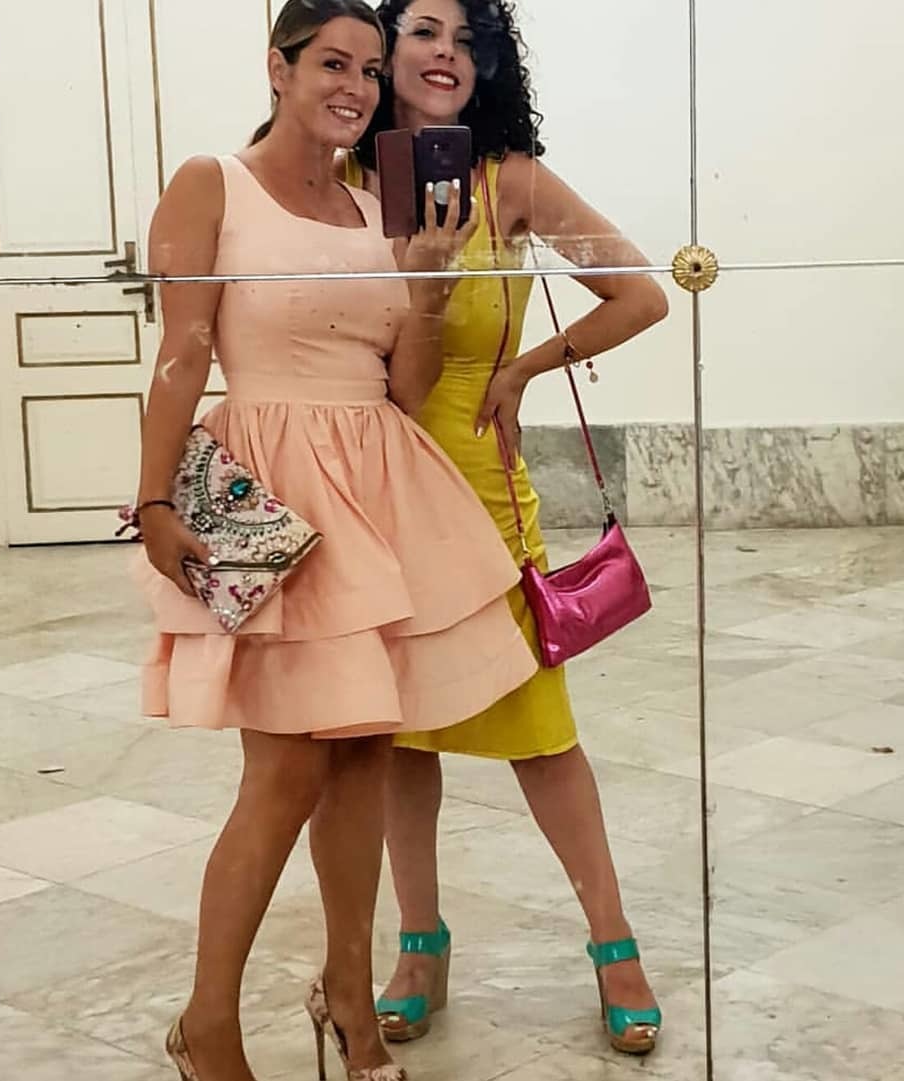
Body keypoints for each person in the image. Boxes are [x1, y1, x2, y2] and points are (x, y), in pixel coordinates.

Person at [132, 2, 537, 1079]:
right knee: (283, 771)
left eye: (368, 68)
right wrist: (156, 499)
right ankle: (207, 1021)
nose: (356, 87)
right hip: (271, 486)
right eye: (332, 64)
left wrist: (429, 280)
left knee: (363, 755)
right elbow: (182, 353)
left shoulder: (374, 210)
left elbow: (405, 385)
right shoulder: (211, 182)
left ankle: (350, 1000)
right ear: (279, 68)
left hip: (375, 486)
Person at [342, 0, 670, 1057]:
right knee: (398, 735)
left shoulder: (508, 184)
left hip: (479, 486)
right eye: (425, 33)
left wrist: (527, 367)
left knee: (540, 731)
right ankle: (419, 945)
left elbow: (640, 294)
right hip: (369, 490)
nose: (447, 55)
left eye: (467, 41)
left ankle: (613, 943)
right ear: (384, 50)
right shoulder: (336, 185)